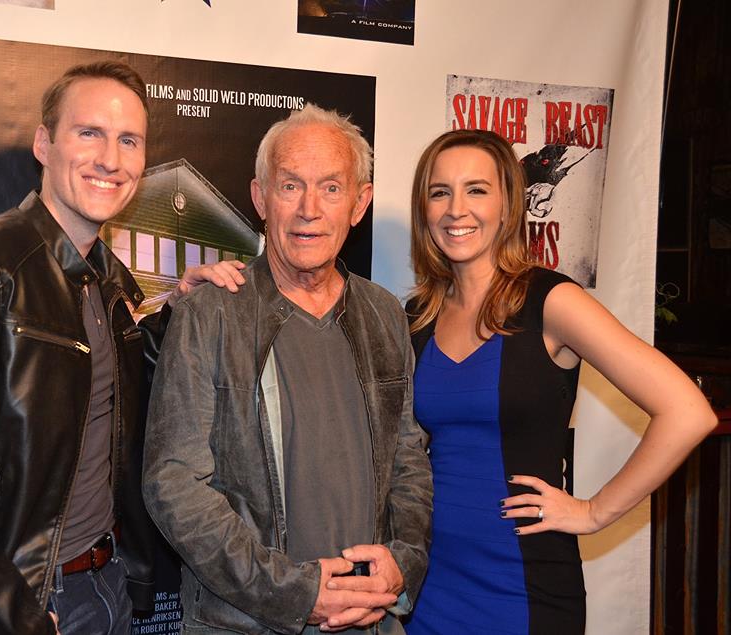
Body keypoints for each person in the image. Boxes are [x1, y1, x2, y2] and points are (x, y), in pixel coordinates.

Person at [0, 61, 245, 635]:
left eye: (128, 140)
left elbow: (104, 393)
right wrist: (10, 615)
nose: (110, 158)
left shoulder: (108, 281)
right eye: (89, 134)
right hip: (14, 602)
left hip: (102, 589)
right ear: (43, 144)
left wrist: (177, 309)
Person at [402, 128, 717, 634]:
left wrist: (593, 512)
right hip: (430, 585)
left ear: (508, 205)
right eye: (440, 192)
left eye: (477, 190)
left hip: (522, 586)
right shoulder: (417, 317)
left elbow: (688, 411)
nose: (456, 208)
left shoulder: (551, 301)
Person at [142, 104, 433, 634]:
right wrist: (295, 592)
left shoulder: (386, 314)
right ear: (260, 198)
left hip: (373, 622)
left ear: (359, 203)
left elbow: (409, 459)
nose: (309, 210)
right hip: (244, 624)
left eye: (330, 188)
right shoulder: (210, 313)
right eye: (290, 186)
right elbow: (173, 484)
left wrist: (404, 561)